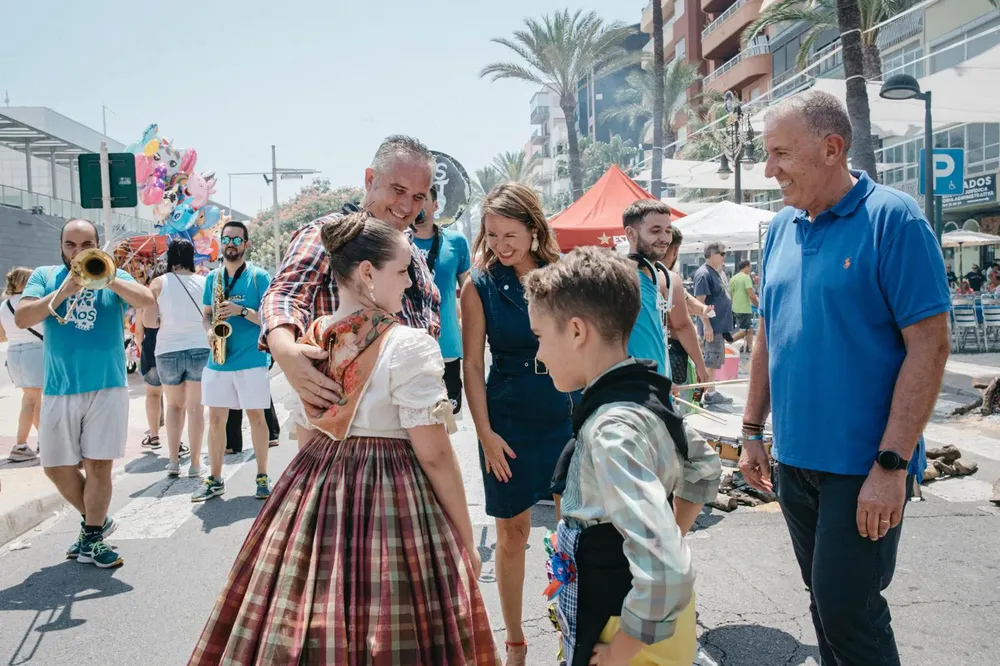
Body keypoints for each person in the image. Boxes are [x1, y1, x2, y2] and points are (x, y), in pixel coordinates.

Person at [188, 212, 498, 665]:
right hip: (396, 502)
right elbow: (433, 456)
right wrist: (465, 542)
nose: (410, 284)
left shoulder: (310, 341)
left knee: (306, 614)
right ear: (369, 274)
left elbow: (303, 435)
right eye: (402, 271)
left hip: (312, 491)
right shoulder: (408, 345)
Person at [740, 90, 950, 666]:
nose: (768, 169)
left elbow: (929, 347)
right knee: (823, 605)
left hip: (863, 465)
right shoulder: (781, 228)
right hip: (794, 462)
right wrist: (753, 430)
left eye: (781, 153)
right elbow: (767, 333)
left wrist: (892, 465)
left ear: (832, 148)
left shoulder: (894, 218)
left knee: (848, 611)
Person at [524, 246, 721, 666]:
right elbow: (704, 469)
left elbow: (667, 567)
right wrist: (667, 533)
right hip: (650, 625)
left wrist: (621, 651)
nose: (538, 355)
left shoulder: (611, 430)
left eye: (540, 337)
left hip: (625, 632)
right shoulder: (646, 394)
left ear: (577, 331)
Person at [260, 134, 441, 447]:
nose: (406, 205)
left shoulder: (412, 251)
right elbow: (285, 294)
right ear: (370, 179)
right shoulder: (328, 235)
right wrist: (285, 351)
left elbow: (427, 320)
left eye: (418, 196)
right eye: (398, 190)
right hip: (343, 437)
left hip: (409, 433)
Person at [460, 182, 576, 665]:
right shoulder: (478, 284)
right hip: (506, 420)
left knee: (573, 532)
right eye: (492, 235)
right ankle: (514, 641)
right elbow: (470, 366)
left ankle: (573, 629)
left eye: (510, 234)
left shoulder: (566, 275)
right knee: (512, 533)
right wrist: (485, 435)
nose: (501, 245)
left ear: (533, 228)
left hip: (566, 414)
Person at [15, 218, 154, 567]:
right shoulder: (45, 276)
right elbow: (21, 318)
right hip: (59, 387)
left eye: (86, 245)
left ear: (97, 245)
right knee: (55, 467)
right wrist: (63, 292)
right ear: (61, 247)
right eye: (71, 245)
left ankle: (92, 536)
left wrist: (110, 280)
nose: (78, 252)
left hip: (107, 385)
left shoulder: (112, 273)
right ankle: (98, 520)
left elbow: (146, 299)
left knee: (98, 464)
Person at [193, 221, 273, 502]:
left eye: (237, 240)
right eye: (226, 239)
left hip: (251, 359)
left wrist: (240, 311)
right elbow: (205, 313)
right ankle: (215, 478)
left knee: (256, 419)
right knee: (215, 421)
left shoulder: (258, 277)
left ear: (246, 244)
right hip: (218, 359)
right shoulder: (212, 279)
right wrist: (207, 331)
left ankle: (262, 476)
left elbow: (267, 317)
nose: (231, 244)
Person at [621, 199, 709, 385]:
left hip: (662, 387)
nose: (664, 238)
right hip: (628, 390)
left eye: (668, 231)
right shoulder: (615, 278)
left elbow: (683, 325)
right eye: (655, 230)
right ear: (630, 233)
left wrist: (700, 366)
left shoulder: (669, 279)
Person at [151, 239, 210, 478]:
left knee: (174, 407)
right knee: (196, 408)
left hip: (168, 350)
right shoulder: (205, 282)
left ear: (170, 258)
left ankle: (173, 461)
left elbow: (147, 321)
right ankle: (196, 464)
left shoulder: (158, 283)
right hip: (200, 347)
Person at [413, 184, 471, 413]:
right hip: (409, 350)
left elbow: (469, 293)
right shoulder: (394, 243)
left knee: (446, 420)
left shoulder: (456, 243)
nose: (416, 204)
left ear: (435, 205)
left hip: (447, 348)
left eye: (421, 198)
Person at [0, 267, 43, 462]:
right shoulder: (32, 303)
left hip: (14, 353)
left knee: (33, 400)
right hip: (34, 351)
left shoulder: (4, 305)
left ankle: (44, 439)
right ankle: (20, 446)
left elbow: (2, 336)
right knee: (31, 401)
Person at [693, 242, 734, 404]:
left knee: (712, 363)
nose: (724, 257)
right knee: (708, 364)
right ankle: (697, 396)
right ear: (712, 254)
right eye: (722, 254)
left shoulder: (714, 273)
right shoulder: (704, 274)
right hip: (712, 327)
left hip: (717, 327)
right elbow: (700, 303)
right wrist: (707, 325)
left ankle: (710, 393)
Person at [134, 280, 164, 452]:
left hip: (151, 349)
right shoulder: (172, 296)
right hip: (172, 348)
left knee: (152, 394)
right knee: (176, 401)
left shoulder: (143, 299)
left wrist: (142, 348)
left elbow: (139, 333)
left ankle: (154, 436)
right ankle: (179, 442)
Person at [729, 259, 758, 353]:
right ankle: (727, 342)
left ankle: (750, 348)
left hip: (734, 308)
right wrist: (758, 305)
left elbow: (730, 295)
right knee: (744, 331)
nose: (750, 269)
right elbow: (751, 294)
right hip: (744, 309)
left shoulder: (733, 278)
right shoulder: (746, 277)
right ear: (746, 266)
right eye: (750, 267)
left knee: (749, 328)